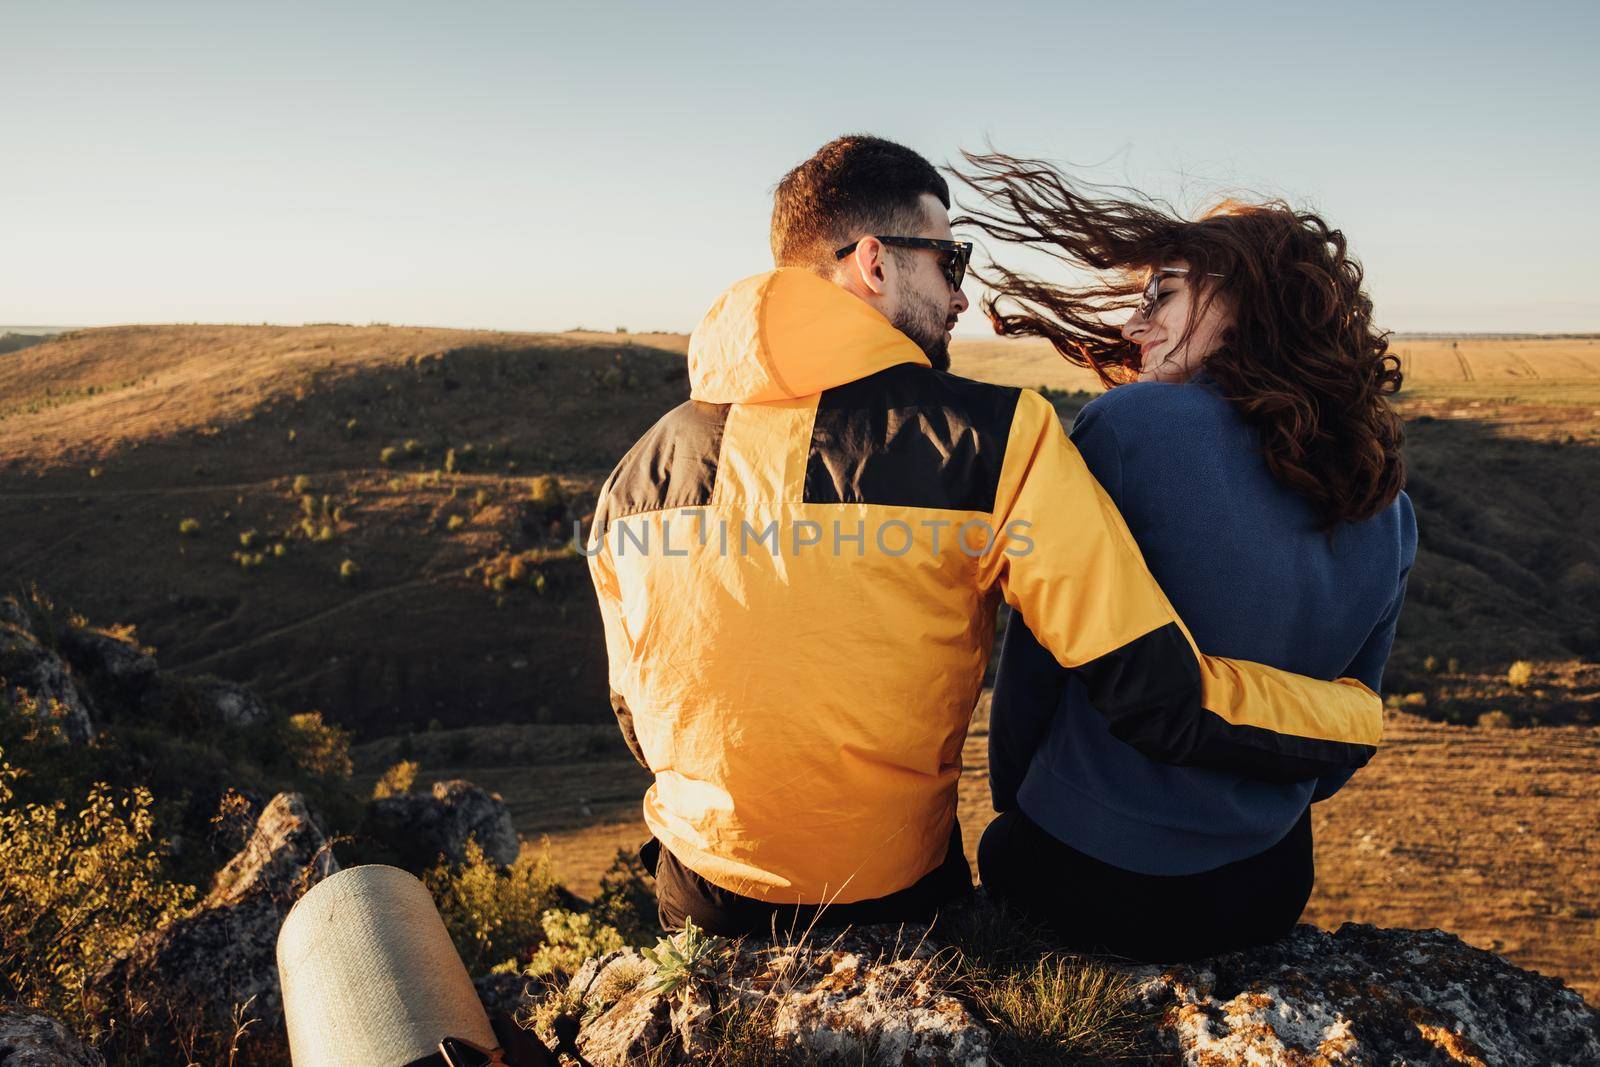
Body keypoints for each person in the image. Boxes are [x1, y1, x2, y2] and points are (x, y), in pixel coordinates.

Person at [585, 134, 1386, 938]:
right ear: (875, 262)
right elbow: (1159, 694)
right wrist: (1357, 717)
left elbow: (636, 711)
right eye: (950, 260)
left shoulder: (632, 477)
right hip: (893, 900)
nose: (963, 298)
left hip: (699, 892)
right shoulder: (997, 438)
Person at [956, 150, 1417, 961]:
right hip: (1267, 884)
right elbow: (1345, 729)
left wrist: (1017, 814)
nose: (1135, 326)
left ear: (1244, 301)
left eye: (1161, 294)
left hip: (1085, 875)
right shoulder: (1389, 505)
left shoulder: (1130, 429)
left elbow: (1036, 671)